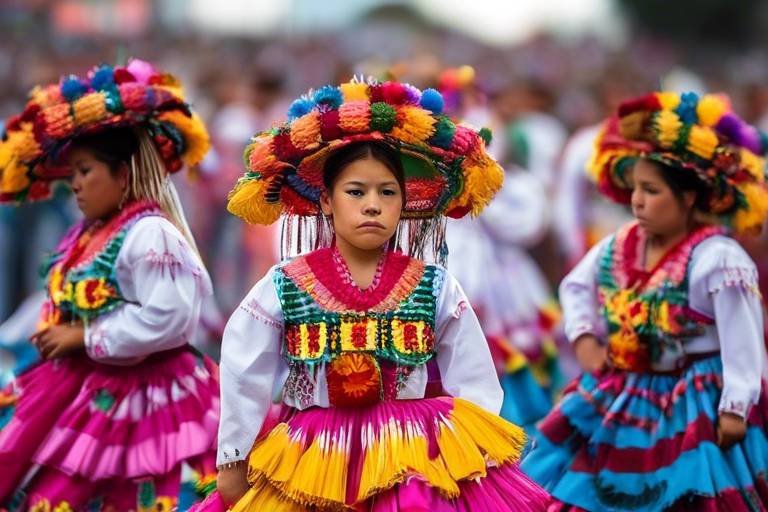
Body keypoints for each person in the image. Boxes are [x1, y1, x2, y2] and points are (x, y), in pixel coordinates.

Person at [198, 78, 549, 511]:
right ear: (326, 200)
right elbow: (244, 369)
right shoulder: (284, 285)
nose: (372, 205)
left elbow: (472, 375)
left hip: (415, 458)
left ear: (404, 202)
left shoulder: (434, 283)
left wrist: (474, 448)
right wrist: (233, 457)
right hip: (313, 458)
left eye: (387, 192)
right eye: (356, 192)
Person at [521, 91, 768, 510]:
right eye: (634, 187)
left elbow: (744, 341)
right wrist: (584, 338)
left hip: (694, 402)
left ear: (688, 198)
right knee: (594, 484)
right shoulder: (618, 245)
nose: (636, 200)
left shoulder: (718, 259)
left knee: (687, 492)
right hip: (625, 389)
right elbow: (576, 286)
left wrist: (736, 406)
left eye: (651, 190)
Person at [0, 59, 219, 511]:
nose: (76, 185)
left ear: (123, 174)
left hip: (144, 398)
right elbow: (53, 299)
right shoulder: (88, 233)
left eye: (86, 171)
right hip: (80, 385)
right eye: (74, 173)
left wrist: (84, 336)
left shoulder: (151, 234)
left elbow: (169, 318)